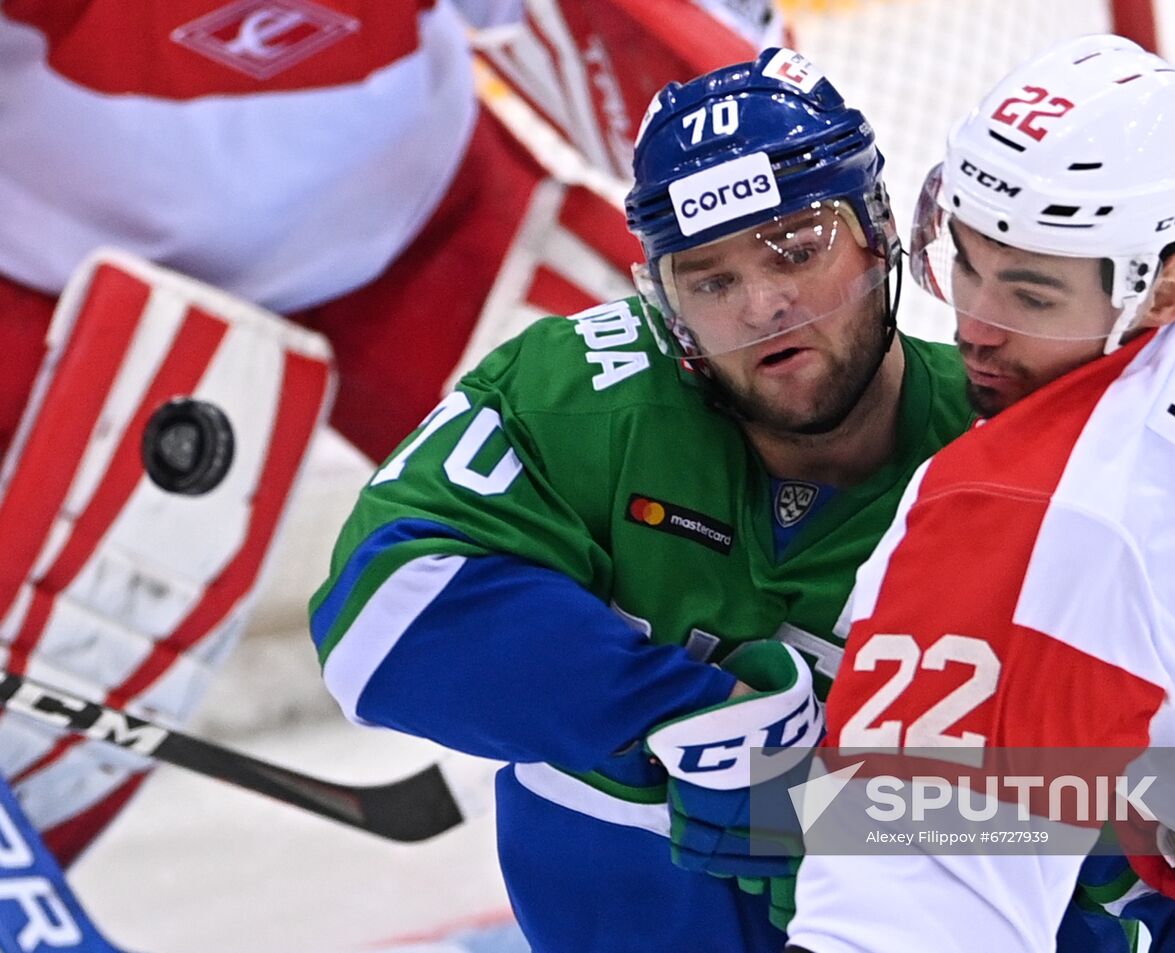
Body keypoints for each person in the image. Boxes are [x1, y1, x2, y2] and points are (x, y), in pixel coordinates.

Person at [0, 0, 782, 865]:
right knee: (54, 683)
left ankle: (865, 828)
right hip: (48, 276)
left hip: (417, 233)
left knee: (731, 473)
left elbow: (681, 60)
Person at [310, 46, 975, 953]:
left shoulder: (1006, 458)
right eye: (711, 279)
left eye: (797, 247)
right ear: (667, 306)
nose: (763, 304)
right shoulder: (586, 393)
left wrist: (843, 823)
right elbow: (379, 613)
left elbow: (1143, 810)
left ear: (880, 228)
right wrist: (687, 710)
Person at [785, 33, 1175, 953]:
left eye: (1032, 295)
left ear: (1164, 290)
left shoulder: (1062, 520)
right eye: (965, 258)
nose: (972, 327)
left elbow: (909, 921)